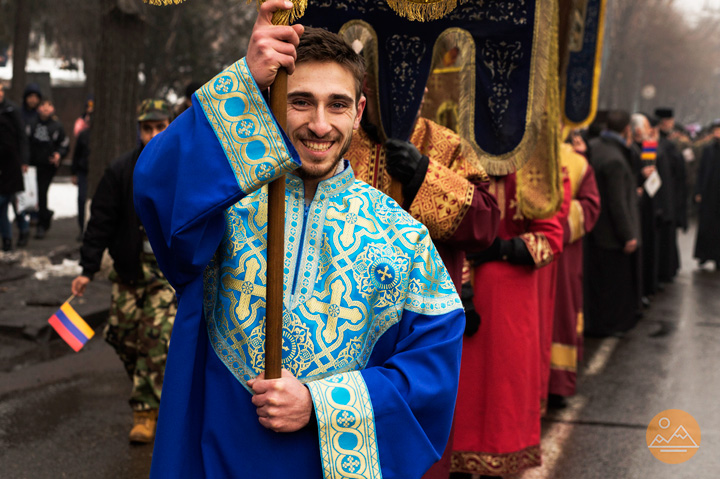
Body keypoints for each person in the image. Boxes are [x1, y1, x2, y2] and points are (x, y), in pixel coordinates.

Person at [133, 3, 465, 478]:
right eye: (301, 100)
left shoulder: (403, 235)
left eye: (338, 104)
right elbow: (154, 184)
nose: (321, 124)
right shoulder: (222, 206)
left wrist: (320, 404)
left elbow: (432, 372)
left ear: (359, 111)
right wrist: (244, 78)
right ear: (273, 101)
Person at [345, 83, 499, 479]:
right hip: (343, 320)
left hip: (418, 322)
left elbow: (486, 222)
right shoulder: (338, 135)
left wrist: (422, 176)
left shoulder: (445, 144)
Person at [71, 98, 176, 444]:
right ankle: (150, 385)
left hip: (166, 274)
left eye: (160, 127)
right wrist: (88, 267)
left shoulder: (181, 168)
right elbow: (101, 219)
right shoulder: (120, 170)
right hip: (129, 270)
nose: (154, 134)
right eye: (148, 128)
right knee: (121, 335)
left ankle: (145, 412)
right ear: (139, 131)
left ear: (170, 126)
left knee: (154, 338)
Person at [451, 170, 563, 478]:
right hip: (456, 294)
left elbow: (551, 239)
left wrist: (502, 248)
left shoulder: (531, 176)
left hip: (511, 306)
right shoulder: (459, 164)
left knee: (504, 391)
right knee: (460, 392)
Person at [547, 143, 601, 407]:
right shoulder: (512, 155)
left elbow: (590, 205)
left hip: (562, 254)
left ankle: (556, 383)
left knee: (561, 313)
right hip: (522, 249)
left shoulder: (577, 163)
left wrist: (553, 226)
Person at [585, 110, 641, 337]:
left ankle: (596, 323)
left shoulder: (595, 147)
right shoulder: (616, 159)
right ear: (627, 129)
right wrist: (629, 234)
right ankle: (607, 326)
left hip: (593, 227)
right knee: (612, 286)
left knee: (596, 284)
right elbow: (618, 202)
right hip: (611, 234)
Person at [26, 98, 69, 239]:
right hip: (32, 166)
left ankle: (41, 225)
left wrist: (59, 154)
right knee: (33, 194)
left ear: (53, 109)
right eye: (43, 105)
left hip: (48, 165)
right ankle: (42, 216)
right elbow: (25, 142)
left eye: (49, 105)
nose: (45, 108)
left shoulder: (57, 126)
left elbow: (64, 143)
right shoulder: (31, 124)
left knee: (42, 193)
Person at [0, 83, 29, 251]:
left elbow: (21, 136)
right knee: (4, 205)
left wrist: (24, 160)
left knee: (14, 202)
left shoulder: (12, 110)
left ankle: (23, 230)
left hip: (12, 163)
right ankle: (7, 238)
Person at [693, 119, 720, 268]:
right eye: (716, 130)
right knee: (705, 225)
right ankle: (703, 255)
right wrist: (698, 191)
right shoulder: (708, 149)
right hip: (708, 193)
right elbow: (701, 171)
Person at [71, 121, 91, 239]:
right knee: (82, 199)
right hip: (83, 172)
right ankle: (82, 228)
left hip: (99, 170)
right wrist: (74, 172)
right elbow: (76, 154)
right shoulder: (83, 135)